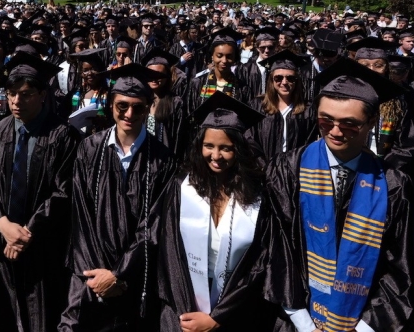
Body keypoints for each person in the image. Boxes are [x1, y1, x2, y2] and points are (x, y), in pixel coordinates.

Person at [263, 57, 414, 332]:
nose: (334, 131)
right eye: (326, 120)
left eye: (349, 123)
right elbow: (276, 246)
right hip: (295, 318)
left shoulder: (393, 185)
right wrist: (303, 321)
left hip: (361, 319)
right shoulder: (287, 169)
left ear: (371, 122)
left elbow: (400, 265)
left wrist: (366, 327)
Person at [60, 64, 177, 332]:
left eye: (138, 107)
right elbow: (82, 216)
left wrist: (120, 275)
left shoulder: (163, 159)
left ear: (149, 107)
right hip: (89, 274)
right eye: (122, 105)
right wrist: (98, 274)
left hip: (135, 279)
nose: (129, 113)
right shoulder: (90, 148)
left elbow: (156, 223)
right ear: (111, 104)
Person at [156, 92, 278, 331]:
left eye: (226, 148)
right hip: (183, 305)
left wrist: (218, 317)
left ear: (239, 150)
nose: (216, 156)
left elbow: (260, 260)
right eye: (209, 146)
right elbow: (169, 250)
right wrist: (185, 311)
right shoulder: (182, 187)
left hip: (236, 310)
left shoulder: (256, 195)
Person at [0, 53, 81, 332]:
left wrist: (25, 233)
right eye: (12, 94)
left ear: (43, 94)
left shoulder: (63, 135)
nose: (17, 102)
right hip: (1, 245)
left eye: (26, 94)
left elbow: (64, 192)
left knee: (43, 317)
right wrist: (2, 223)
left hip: (44, 247)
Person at [248, 51, 316, 160]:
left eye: (290, 78)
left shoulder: (308, 109)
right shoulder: (258, 106)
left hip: (295, 171)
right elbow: (250, 139)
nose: (284, 82)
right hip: (263, 170)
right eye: (278, 78)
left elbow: (310, 144)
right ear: (271, 80)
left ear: (296, 81)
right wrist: (264, 167)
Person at [185, 28, 250, 121]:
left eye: (229, 56)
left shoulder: (242, 88)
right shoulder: (197, 83)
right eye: (219, 56)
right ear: (212, 56)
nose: (224, 61)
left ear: (235, 57)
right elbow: (190, 116)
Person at [143, 50, 186, 160]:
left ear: (167, 76)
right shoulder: (142, 100)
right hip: (143, 157)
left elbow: (178, 137)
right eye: (150, 74)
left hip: (165, 159)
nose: (154, 78)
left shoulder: (176, 102)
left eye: (159, 74)